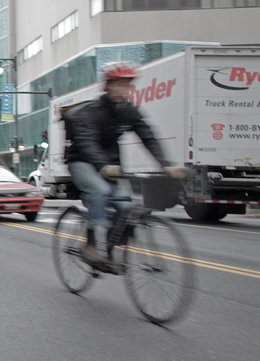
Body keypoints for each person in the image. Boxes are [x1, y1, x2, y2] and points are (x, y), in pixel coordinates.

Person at [65, 61, 185, 272]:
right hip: (81, 161)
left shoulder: (128, 111)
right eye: (117, 85)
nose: (122, 90)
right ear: (107, 86)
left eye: (127, 86)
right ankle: (90, 245)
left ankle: (109, 252)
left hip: (110, 165)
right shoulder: (91, 112)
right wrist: (104, 166)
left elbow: (148, 137)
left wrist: (166, 166)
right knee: (100, 191)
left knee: (125, 206)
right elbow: (87, 143)